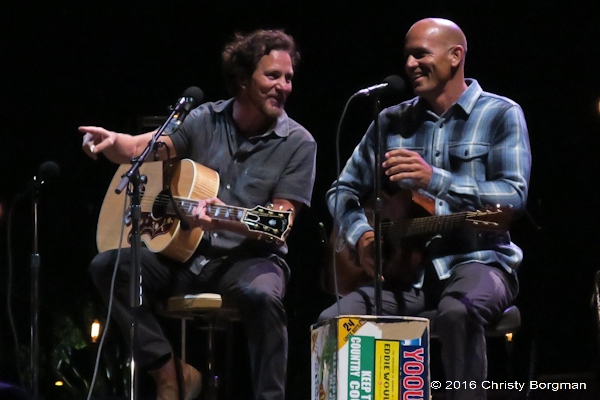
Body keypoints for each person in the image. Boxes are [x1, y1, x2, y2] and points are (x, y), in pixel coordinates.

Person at [80, 29, 316, 400]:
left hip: (249, 259)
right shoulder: (204, 118)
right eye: (272, 76)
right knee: (109, 267)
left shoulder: (299, 143)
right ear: (243, 78)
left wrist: (227, 219)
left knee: (263, 297)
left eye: (288, 78)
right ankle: (169, 373)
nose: (283, 86)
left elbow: (279, 224)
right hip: (186, 258)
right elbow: (145, 147)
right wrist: (114, 142)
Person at [320, 18, 531, 400]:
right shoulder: (390, 121)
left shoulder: (500, 113)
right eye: (407, 56)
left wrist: (435, 179)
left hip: (480, 261)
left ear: (455, 56)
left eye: (420, 54)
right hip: (405, 275)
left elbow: (513, 197)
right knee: (333, 320)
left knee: (457, 312)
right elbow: (341, 190)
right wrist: (361, 234)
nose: (410, 64)